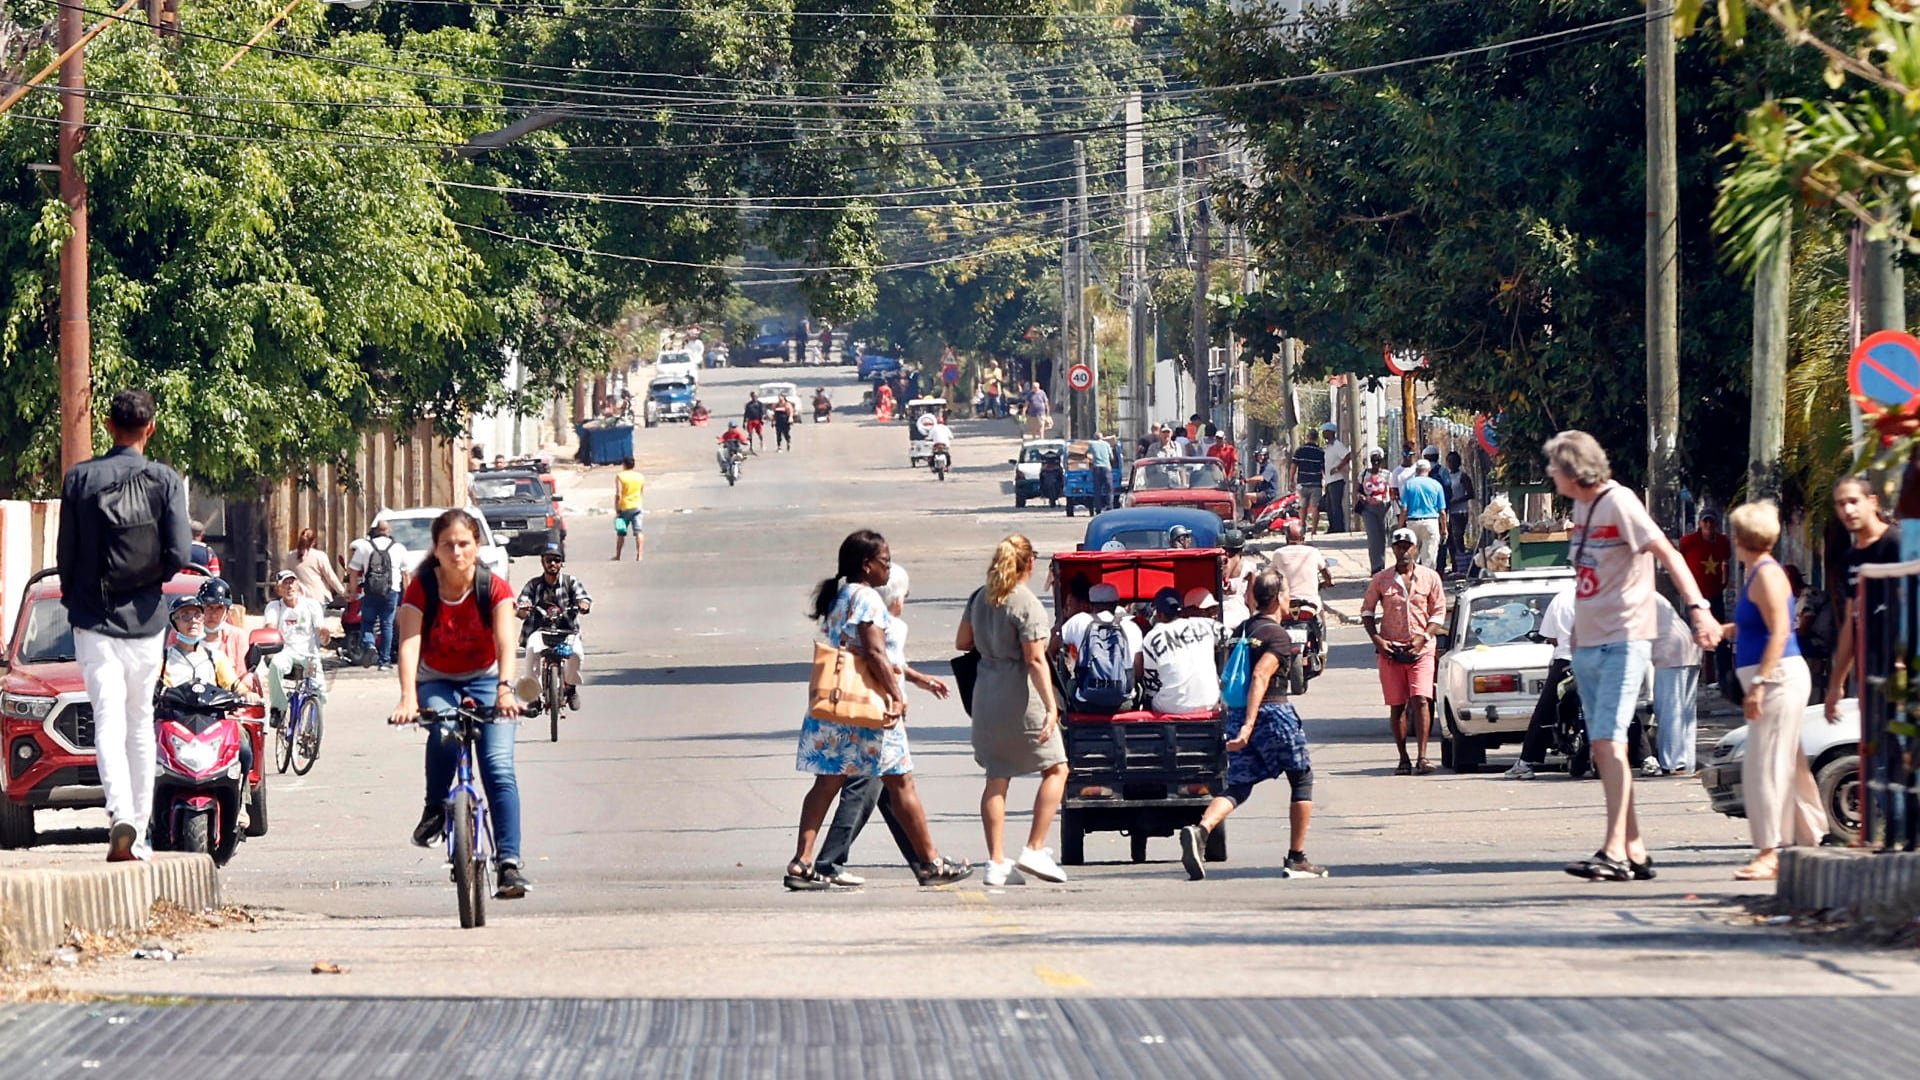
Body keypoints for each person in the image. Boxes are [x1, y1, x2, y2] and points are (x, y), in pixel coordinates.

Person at [1546, 430, 1719, 883]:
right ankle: (1636, 849)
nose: (1550, 474)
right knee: (1607, 750)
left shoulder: (1620, 502)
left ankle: (1613, 851)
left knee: (1608, 743)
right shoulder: (1581, 509)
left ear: (1573, 469)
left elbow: (1668, 554)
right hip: (1589, 645)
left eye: (1555, 466)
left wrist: (1698, 609)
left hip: (1625, 639)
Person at [789, 532, 970, 890]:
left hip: (837, 703)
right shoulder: (868, 597)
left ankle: (802, 861)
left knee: (826, 782)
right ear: (865, 565)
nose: (888, 566)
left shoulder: (839, 596)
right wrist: (895, 695)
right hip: (869, 710)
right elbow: (874, 653)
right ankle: (931, 863)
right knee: (902, 783)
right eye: (884, 560)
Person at [58, 389, 191, 862]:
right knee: (140, 724)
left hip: (94, 622)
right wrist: (147, 585)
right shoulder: (166, 480)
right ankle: (142, 827)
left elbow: (66, 557)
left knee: (107, 723)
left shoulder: (80, 479)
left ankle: (120, 818)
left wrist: (80, 604)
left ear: (108, 427)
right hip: (148, 623)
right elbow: (178, 554)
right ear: (149, 428)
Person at [388, 509, 529, 899]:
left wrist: (505, 689)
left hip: (487, 680)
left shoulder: (493, 587)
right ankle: (435, 807)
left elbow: (506, 643)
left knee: (499, 768)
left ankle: (509, 864)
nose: (456, 552)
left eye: (464, 543)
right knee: (446, 729)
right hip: (437, 680)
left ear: (477, 546)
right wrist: (408, 697)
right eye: (447, 545)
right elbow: (409, 643)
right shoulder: (422, 588)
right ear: (435, 549)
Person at [1178, 570, 1327, 880]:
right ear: (1278, 598)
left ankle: (1202, 830)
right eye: (1287, 593)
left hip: (1236, 713)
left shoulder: (1241, 630)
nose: (1290, 599)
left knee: (1239, 784)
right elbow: (1260, 676)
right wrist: (1249, 725)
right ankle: (1297, 858)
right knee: (1301, 778)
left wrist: (1239, 721)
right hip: (1271, 713)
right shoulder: (1276, 635)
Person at [1722, 500, 1826, 880]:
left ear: (1740, 537)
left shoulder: (1766, 574)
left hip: (1778, 678)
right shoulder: (1759, 573)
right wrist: (1726, 631)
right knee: (1789, 760)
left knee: (1765, 763)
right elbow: (1760, 627)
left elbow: (1782, 631)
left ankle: (1772, 850)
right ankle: (1809, 836)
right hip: (1774, 675)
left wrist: (1760, 684)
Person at [958, 535, 1070, 887]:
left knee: (997, 777)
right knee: (1056, 768)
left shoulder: (980, 597)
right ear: (1029, 563)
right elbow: (1035, 659)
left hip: (986, 694)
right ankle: (1035, 848)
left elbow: (963, 642)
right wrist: (1052, 708)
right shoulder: (1026, 603)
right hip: (1020, 695)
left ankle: (995, 862)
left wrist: (992, 642)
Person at [1362, 529, 1447, 774]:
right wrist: (1377, 640)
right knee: (1397, 705)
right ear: (1393, 549)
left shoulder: (1430, 578)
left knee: (1421, 699)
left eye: (1408, 546)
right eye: (1399, 546)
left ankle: (1423, 757)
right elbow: (1367, 612)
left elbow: (1438, 612)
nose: (1404, 550)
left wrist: (1425, 637)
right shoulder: (1381, 579)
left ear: (1416, 549)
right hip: (1391, 651)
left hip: (1422, 649)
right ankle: (1403, 758)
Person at [1824, 476, 1899, 724]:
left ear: (1873, 502)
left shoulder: (1898, 545)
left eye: (1854, 501)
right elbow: (1851, 622)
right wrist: (1836, 684)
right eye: (1840, 504)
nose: (1848, 510)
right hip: (1873, 673)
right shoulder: (1850, 559)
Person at [1505, 589, 1575, 780]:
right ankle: (1645, 758)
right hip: (1602, 661)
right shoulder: (1609, 595)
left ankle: (1526, 762)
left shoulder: (1563, 598)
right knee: (1621, 707)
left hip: (1567, 662)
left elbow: (1551, 637)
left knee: (1545, 711)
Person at [516, 544, 592, 711]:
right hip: (539, 631)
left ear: (561, 563)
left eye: (556, 560)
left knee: (577, 655)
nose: (552, 564)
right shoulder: (533, 585)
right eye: (549, 560)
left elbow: (584, 598)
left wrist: (583, 604)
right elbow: (521, 606)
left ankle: (570, 688)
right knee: (530, 654)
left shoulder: (570, 582)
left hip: (567, 631)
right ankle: (534, 696)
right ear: (542, 562)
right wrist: (523, 608)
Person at [1140, 586, 1226, 714]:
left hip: (1172, 708)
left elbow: (1151, 684)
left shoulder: (1152, 637)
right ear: (1181, 610)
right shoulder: (1206, 624)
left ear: (1159, 613)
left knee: (1148, 697)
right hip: (1209, 702)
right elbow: (1233, 640)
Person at [259, 571, 330, 725]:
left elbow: (319, 627)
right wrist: (268, 635)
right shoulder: (275, 606)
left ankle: (312, 729)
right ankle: (278, 708)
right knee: (276, 665)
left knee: (320, 693)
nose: (290, 586)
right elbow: (270, 627)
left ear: (298, 585)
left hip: (309, 655)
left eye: (292, 582)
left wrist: (324, 634)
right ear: (278, 589)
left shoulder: (311, 605)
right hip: (286, 653)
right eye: (285, 583)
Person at [1648, 596, 1701, 777]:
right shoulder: (1652, 596)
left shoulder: (1631, 596)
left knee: (1670, 709)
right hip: (1688, 647)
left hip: (1669, 652)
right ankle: (1687, 762)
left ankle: (1673, 763)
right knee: (1686, 711)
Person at [1679, 510, 1734, 681]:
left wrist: (1724, 580)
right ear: (1700, 523)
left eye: (1711, 521)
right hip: (1694, 596)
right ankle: (1691, 675)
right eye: (1705, 521)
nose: (1708, 525)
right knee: (1691, 634)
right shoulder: (1688, 541)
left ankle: (1724, 677)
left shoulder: (1723, 541)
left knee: (1719, 635)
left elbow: (1726, 562)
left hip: (1715, 594)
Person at [348, 521, 409, 670]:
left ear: (375, 531)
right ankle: (384, 661)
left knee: (367, 622)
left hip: (370, 592)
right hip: (391, 592)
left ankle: (369, 645)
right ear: (388, 531)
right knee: (387, 625)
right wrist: (407, 595)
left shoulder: (364, 546)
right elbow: (406, 574)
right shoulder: (399, 548)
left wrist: (352, 590)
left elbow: (353, 571)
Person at [1270, 521, 1332, 612]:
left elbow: (1270, 574)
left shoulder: (1278, 553)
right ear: (1303, 539)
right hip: (1311, 602)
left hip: (1287, 602)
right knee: (1320, 618)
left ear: (1287, 539)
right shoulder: (1313, 552)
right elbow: (1325, 572)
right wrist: (1329, 582)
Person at [1400, 459, 1448, 571]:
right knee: (1429, 557)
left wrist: (1400, 526)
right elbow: (1442, 511)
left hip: (1413, 522)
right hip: (1430, 522)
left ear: (1416, 470)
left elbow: (1404, 509)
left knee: (1412, 556)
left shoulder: (1409, 485)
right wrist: (1444, 528)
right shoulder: (1436, 485)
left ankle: (1411, 581)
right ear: (1429, 470)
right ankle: (1427, 583)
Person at [283, 526, 344, 604]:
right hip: (318, 598)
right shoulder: (320, 556)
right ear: (314, 542)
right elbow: (331, 577)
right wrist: (343, 592)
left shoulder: (290, 556)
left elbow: (286, 577)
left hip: (299, 599)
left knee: (302, 617)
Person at [1357, 448, 1392, 574]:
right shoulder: (1364, 474)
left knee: (1382, 537)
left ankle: (1382, 565)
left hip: (1384, 508)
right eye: (1374, 460)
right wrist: (1361, 497)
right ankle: (1375, 567)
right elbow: (1358, 490)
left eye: (1379, 460)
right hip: (1368, 509)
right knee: (1373, 537)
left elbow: (1391, 491)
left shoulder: (1387, 474)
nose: (1376, 463)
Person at [1292, 428, 1327, 534]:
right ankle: (1314, 530)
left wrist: (1291, 480)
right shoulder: (1320, 452)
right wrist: (1326, 480)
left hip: (1302, 483)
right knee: (1315, 507)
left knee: (1302, 506)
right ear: (1316, 438)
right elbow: (1323, 468)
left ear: (1307, 437)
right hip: (1316, 483)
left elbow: (1294, 466)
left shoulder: (1300, 450)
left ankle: (1302, 526)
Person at [1445, 450, 1474, 575]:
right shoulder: (1446, 476)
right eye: (1449, 461)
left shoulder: (1462, 476)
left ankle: (1463, 567)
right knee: (1449, 539)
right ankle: (1455, 566)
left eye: (1454, 461)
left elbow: (1471, 494)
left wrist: (1457, 501)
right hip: (1448, 512)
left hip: (1460, 511)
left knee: (1458, 538)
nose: (1451, 464)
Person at [613, 456, 645, 562]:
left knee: (621, 533)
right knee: (638, 531)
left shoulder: (620, 476)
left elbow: (618, 494)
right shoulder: (640, 477)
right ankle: (639, 555)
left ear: (624, 465)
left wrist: (617, 509)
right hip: (637, 506)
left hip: (624, 508)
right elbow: (641, 492)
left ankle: (618, 556)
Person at [1322, 424, 1350, 534]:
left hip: (1337, 480)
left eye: (1325, 431)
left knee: (1336, 505)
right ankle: (1332, 526)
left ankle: (1338, 527)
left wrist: (1338, 468)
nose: (1323, 433)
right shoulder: (1328, 446)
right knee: (1329, 506)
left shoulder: (1337, 445)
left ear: (1331, 432)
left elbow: (1347, 455)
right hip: (1329, 480)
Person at [1088, 432, 1116, 512]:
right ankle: (1110, 507)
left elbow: (1087, 454)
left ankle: (1098, 509)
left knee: (1097, 490)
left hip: (1096, 468)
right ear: (1102, 437)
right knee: (1109, 489)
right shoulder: (1106, 444)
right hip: (1106, 468)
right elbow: (1112, 457)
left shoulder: (1092, 444)